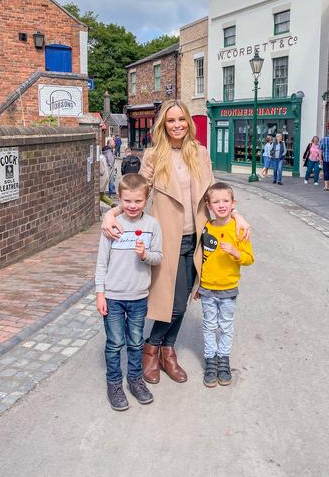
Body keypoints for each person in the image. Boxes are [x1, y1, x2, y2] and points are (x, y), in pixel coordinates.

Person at [101, 100, 250, 385]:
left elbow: (215, 193)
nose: (177, 125)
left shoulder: (200, 153)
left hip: (196, 238)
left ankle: (166, 350)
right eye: (171, 121)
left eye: (181, 119)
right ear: (163, 125)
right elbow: (137, 191)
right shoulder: (154, 154)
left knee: (183, 300)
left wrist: (237, 215)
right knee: (175, 303)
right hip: (167, 237)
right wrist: (113, 211)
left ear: (188, 122)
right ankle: (154, 349)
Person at [95, 173, 162, 411]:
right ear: (120, 199)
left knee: (135, 343)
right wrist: (100, 293)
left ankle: (135, 380)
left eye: (138, 201)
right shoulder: (112, 225)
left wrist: (145, 255)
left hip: (138, 297)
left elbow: (158, 258)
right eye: (127, 201)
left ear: (146, 199)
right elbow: (102, 263)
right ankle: (114, 383)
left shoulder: (152, 225)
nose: (132, 206)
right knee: (114, 343)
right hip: (113, 297)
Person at [197, 182, 254, 387]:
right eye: (216, 201)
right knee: (210, 325)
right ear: (209, 205)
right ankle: (210, 360)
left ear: (233, 204)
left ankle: (224, 360)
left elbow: (249, 258)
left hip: (228, 288)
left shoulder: (239, 229)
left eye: (225, 201)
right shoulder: (205, 228)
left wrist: (236, 252)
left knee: (226, 326)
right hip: (207, 287)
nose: (221, 205)